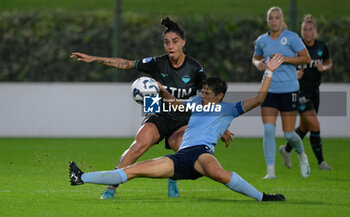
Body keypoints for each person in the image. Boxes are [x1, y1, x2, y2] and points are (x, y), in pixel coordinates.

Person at [69, 54, 286, 202]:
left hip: (201, 153)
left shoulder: (229, 109)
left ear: (219, 97)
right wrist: (161, 90)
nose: (203, 95)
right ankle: (81, 178)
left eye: (208, 93)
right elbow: (175, 104)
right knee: (132, 171)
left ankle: (263, 197)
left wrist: (269, 72)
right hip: (181, 158)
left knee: (219, 174)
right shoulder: (195, 102)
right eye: (203, 91)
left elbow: (259, 98)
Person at [70, 17, 233, 199]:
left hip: (183, 120)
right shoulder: (157, 63)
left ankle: (172, 177)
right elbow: (126, 63)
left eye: (175, 41)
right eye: (166, 42)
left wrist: (223, 125)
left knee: (184, 150)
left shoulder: (195, 69)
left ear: (183, 43)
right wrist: (94, 59)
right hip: (159, 114)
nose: (170, 46)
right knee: (138, 146)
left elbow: (209, 98)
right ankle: (111, 187)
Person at [252, 6, 312, 179]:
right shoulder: (262, 40)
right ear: (267, 20)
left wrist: (285, 59)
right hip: (268, 89)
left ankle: (302, 156)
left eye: (277, 17)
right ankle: (270, 171)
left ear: (282, 19)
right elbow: (256, 58)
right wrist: (259, 65)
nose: (274, 21)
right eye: (271, 18)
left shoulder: (292, 38)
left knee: (289, 134)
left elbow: (306, 58)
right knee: (269, 131)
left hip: (289, 89)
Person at [279, 14, 333, 170]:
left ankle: (286, 149)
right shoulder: (296, 48)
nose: (307, 32)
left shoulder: (322, 46)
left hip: (314, 90)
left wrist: (324, 67)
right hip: (298, 91)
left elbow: (328, 62)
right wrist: (294, 74)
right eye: (304, 29)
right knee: (314, 124)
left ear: (315, 31)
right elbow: (283, 66)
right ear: (301, 31)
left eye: (310, 29)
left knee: (305, 127)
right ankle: (321, 162)